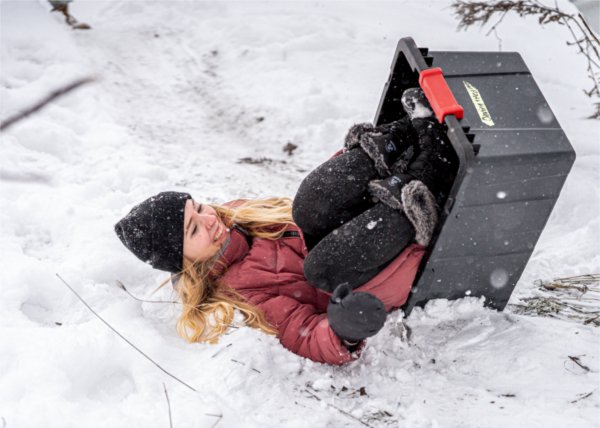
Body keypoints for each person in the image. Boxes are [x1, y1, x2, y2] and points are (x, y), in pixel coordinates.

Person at [114, 88, 456, 365]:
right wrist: (344, 329)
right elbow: (299, 331)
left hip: (374, 218)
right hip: (379, 268)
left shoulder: (241, 217)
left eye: (199, 208)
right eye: (193, 229)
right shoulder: (238, 290)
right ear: (184, 261)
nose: (208, 219)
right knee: (322, 268)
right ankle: (426, 187)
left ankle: (404, 137)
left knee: (307, 206)